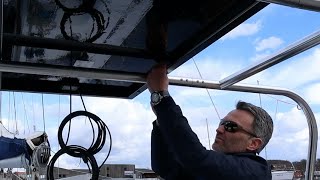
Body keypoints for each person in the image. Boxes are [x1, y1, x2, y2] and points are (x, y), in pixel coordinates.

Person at [147, 64, 274, 180]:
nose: (219, 129)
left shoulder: (256, 171)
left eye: (230, 126)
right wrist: (161, 119)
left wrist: (162, 98)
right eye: (222, 123)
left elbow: (197, 158)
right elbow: (166, 168)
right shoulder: (217, 172)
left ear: (253, 143)